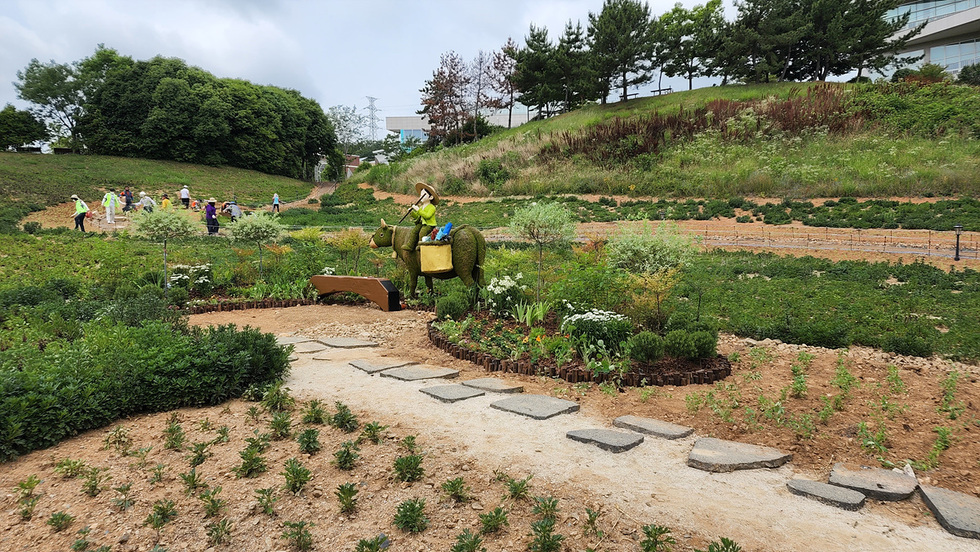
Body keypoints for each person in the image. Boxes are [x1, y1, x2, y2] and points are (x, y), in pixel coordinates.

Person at [403, 182, 438, 253]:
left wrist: (418, 210)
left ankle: (421, 245)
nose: (421, 196)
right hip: (422, 223)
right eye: (421, 195)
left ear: (430, 197)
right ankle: (410, 245)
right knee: (415, 231)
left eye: (424, 195)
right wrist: (412, 212)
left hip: (429, 225)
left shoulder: (432, 207)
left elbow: (427, 216)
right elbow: (418, 216)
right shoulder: (422, 207)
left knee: (422, 232)